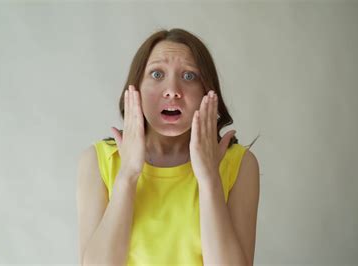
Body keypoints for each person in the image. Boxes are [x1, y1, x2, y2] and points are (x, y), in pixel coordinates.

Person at [77, 28, 260, 265]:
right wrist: (128, 174)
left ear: (206, 91)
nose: (173, 91)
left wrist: (209, 179)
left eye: (188, 76)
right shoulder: (98, 161)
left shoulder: (240, 164)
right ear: (136, 88)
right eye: (156, 74)